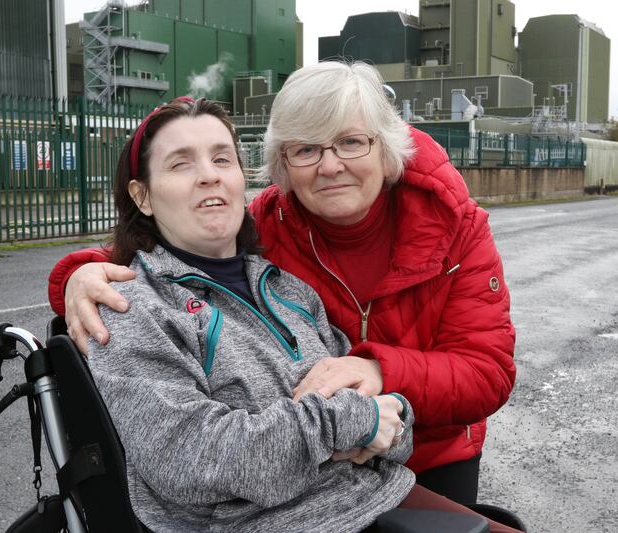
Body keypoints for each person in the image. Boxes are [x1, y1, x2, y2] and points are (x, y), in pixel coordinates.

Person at [49, 61, 516, 505]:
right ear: (283, 163)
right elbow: (169, 251)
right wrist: (79, 275)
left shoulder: (453, 226)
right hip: (320, 474)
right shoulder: (271, 224)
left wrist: (381, 377)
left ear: (385, 147)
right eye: (306, 149)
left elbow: (487, 371)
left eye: (351, 142)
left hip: (426, 448)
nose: (330, 165)